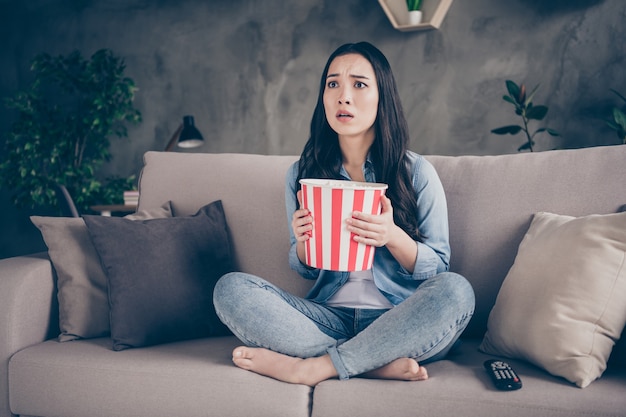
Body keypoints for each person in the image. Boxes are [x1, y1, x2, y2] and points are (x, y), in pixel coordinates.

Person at [213, 41, 475, 386]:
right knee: (230, 289)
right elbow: (305, 267)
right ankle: (372, 364)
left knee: (457, 291)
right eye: (333, 83)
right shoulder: (302, 175)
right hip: (326, 315)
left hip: (398, 320)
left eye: (360, 84)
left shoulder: (415, 172)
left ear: (383, 97)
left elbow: (439, 266)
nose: (343, 96)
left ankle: (312, 367)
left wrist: (392, 236)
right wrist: (304, 243)